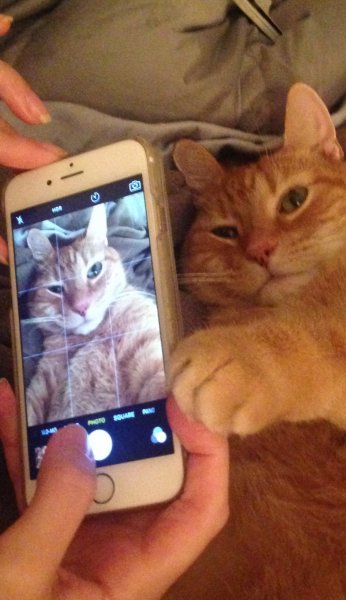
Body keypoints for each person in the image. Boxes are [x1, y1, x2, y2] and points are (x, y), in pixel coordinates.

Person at [0, 15, 229, 600]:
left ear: (114, 263)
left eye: (95, 273)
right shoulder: (51, 341)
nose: (79, 302)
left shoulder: (132, 313)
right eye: (58, 290)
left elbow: (153, 374)